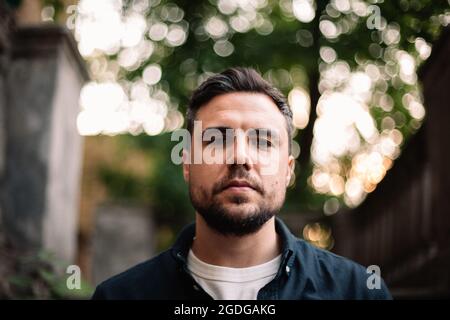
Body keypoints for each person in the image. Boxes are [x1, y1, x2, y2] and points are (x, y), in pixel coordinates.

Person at [92, 67, 392, 300]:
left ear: (288, 170)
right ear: (187, 165)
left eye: (262, 141)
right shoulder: (120, 296)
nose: (239, 156)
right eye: (216, 140)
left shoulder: (357, 291)